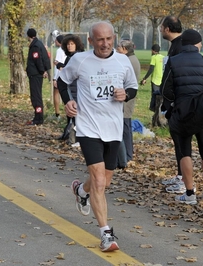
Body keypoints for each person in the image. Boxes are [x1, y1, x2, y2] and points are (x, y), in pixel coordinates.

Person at [57, 21, 138, 252]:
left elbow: (132, 87)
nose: (105, 44)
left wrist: (126, 94)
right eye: (100, 40)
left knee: (105, 181)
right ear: (91, 41)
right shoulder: (80, 60)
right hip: (88, 127)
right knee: (100, 181)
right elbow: (62, 81)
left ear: (114, 38)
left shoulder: (123, 61)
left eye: (109, 39)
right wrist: (68, 102)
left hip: (113, 128)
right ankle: (106, 234)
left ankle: (82, 191)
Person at [161, 29, 203, 204]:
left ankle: (190, 193)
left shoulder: (173, 61)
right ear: (198, 44)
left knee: (184, 152)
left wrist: (175, 102)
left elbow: (165, 90)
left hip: (181, 114)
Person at [158, 16, 184, 192]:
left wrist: (172, 101)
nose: (160, 31)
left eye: (161, 28)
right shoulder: (175, 45)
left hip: (179, 103)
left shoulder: (179, 46)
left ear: (167, 28)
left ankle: (183, 179)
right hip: (174, 102)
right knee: (178, 142)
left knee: (182, 142)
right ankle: (180, 175)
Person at [116, 39, 141, 165]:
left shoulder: (129, 61)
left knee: (125, 128)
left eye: (118, 48)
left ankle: (126, 156)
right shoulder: (132, 59)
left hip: (126, 98)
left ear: (125, 49)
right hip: (127, 97)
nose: (116, 50)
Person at [57, 34, 84, 143]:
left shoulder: (77, 57)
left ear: (77, 45)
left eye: (72, 44)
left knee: (75, 114)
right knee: (71, 114)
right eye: (68, 44)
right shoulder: (70, 57)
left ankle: (75, 138)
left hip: (76, 89)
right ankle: (68, 134)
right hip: (70, 88)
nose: (69, 46)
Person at [25, 28, 51, 126]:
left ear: (28, 36)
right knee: (37, 96)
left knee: (36, 97)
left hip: (35, 75)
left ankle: (38, 118)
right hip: (36, 74)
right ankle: (38, 116)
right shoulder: (38, 43)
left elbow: (38, 60)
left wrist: (42, 71)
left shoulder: (35, 46)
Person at [140, 44, 164, 112]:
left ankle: (153, 108)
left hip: (155, 80)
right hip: (161, 79)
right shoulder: (163, 57)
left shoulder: (154, 57)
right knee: (160, 95)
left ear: (153, 51)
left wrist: (145, 78)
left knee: (154, 95)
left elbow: (151, 69)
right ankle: (160, 109)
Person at [52, 35, 66, 119]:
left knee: (56, 94)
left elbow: (58, 65)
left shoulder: (59, 50)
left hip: (60, 75)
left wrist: (55, 78)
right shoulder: (67, 50)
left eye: (56, 41)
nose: (55, 42)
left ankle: (57, 114)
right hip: (67, 75)